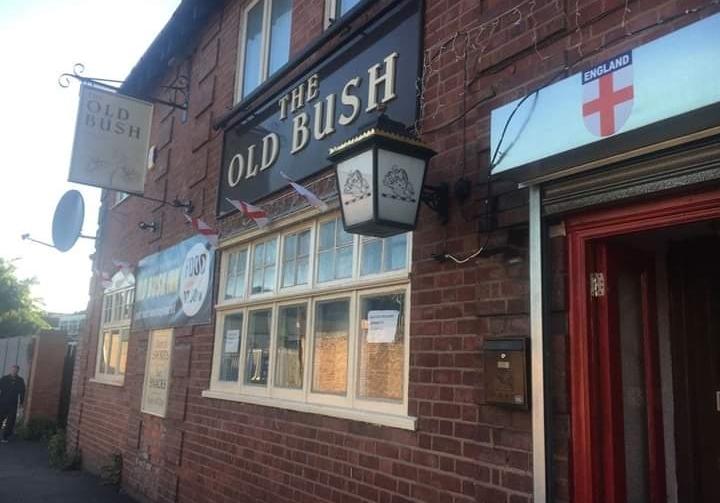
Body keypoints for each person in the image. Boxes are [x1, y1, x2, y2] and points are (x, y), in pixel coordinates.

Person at [0, 365, 26, 443]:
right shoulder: (4, 378)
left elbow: (22, 392)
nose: (14, 371)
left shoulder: (20, 380)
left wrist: (21, 402)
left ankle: (5, 437)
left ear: (18, 371)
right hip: (3, 402)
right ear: (11, 370)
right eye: (13, 370)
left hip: (13, 403)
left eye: (16, 370)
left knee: (11, 420)